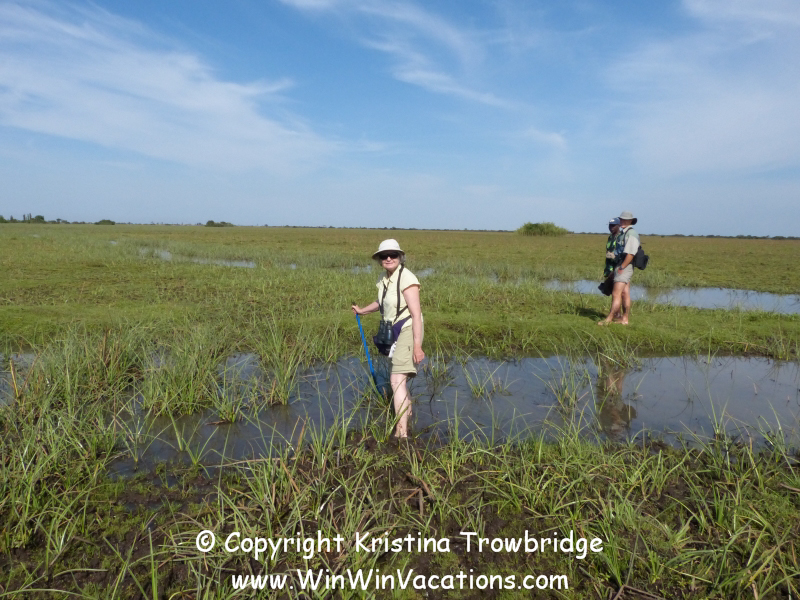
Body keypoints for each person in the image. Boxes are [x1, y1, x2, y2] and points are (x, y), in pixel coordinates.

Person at [352, 239, 425, 438]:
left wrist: (417, 346)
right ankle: (408, 416)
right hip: (394, 331)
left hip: (408, 329)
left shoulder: (407, 279)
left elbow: (416, 314)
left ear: (400, 257)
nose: (389, 258)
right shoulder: (385, 279)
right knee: (399, 379)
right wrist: (362, 311)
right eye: (384, 256)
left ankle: (401, 433)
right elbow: (381, 301)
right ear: (380, 259)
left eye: (393, 254)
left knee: (396, 380)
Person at [599, 211, 640, 326]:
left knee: (616, 293)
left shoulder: (631, 234)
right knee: (625, 293)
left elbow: (630, 254)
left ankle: (609, 319)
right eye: (621, 219)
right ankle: (624, 319)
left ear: (630, 221)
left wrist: (622, 267)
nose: (622, 221)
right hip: (621, 265)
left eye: (625, 220)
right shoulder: (624, 233)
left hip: (624, 266)